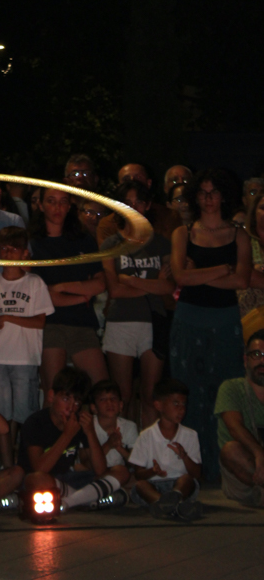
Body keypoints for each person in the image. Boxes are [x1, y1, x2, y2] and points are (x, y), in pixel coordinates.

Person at [169, 168, 251, 481]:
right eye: (202, 193)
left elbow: (241, 280)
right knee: (189, 394)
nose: (208, 199)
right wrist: (220, 270)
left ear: (224, 195)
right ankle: (192, 468)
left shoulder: (238, 235)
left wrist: (199, 275)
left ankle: (225, 468)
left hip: (225, 320)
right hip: (189, 319)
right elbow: (180, 277)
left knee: (225, 392)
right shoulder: (184, 233)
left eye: (214, 192)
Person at [101, 181, 175, 426]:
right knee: (122, 394)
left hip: (154, 322)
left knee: (151, 394)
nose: (133, 207)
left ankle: (149, 446)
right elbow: (115, 290)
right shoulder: (111, 244)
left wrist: (130, 280)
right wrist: (152, 284)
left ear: (148, 205)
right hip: (121, 321)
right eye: (127, 202)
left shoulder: (161, 243)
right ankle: (123, 444)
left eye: (139, 202)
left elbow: (168, 287)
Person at [0, 226, 54, 457]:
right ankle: (2, 461)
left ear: (24, 252)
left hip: (24, 357)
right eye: (4, 248)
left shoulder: (34, 283)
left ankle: (23, 461)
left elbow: (40, 321)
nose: (9, 253)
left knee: (24, 415)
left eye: (14, 248)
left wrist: (7, 318)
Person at [29, 187, 108, 395]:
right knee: (54, 393)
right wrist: (83, 295)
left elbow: (100, 284)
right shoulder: (33, 244)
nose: (58, 207)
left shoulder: (83, 240)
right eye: (51, 201)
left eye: (63, 201)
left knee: (101, 390)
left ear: (70, 206)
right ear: (40, 205)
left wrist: (62, 287)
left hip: (83, 323)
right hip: (49, 324)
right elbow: (44, 296)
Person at [19, 367, 128, 511]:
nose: (70, 407)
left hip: (68, 479)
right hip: (42, 482)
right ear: (51, 396)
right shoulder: (36, 422)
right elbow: (40, 468)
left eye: (76, 403)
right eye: (65, 399)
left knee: (121, 471)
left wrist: (90, 431)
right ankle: (88, 498)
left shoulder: (78, 421)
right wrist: (67, 435)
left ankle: (70, 502)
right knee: (38, 479)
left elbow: (100, 470)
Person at [129, 378, 202, 520]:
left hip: (179, 485)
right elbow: (138, 475)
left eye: (183, 404)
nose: (181, 409)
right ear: (159, 405)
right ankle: (175, 507)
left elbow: (196, 474)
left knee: (187, 480)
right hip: (154, 484)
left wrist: (184, 456)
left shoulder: (190, 435)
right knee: (141, 485)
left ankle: (167, 503)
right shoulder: (146, 436)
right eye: (175, 403)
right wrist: (152, 471)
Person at [216, 330, 264, 507]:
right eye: (256, 354)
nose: (262, 361)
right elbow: (234, 426)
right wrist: (259, 454)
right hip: (245, 476)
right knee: (231, 450)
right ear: (245, 360)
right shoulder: (231, 388)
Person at [97, 163, 181, 245]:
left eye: (138, 178)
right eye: (126, 179)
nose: (132, 182)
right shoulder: (107, 225)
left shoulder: (169, 217)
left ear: (149, 183)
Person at [89, 380, 138, 477]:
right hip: (92, 473)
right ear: (94, 408)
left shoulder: (129, 426)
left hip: (119, 472)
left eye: (113, 398)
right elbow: (87, 464)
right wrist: (108, 444)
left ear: (121, 405)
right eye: (103, 399)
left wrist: (120, 448)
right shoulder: (88, 425)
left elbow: (137, 464)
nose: (109, 402)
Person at [237, 190, 264, 322]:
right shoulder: (242, 241)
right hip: (247, 313)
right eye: (263, 208)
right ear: (254, 213)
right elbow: (244, 275)